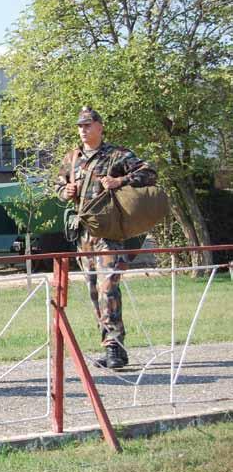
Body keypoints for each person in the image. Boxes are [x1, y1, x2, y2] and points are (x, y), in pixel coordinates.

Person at [56, 107, 157, 369]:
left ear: (100, 127)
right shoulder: (72, 158)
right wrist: (64, 191)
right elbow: (57, 186)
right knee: (93, 291)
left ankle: (114, 346)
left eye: (88, 125)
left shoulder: (117, 155)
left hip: (109, 234)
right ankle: (114, 349)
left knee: (108, 287)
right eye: (80, 126)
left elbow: (150, 173)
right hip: (84, 235)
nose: (83, 130)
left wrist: (120, 181)